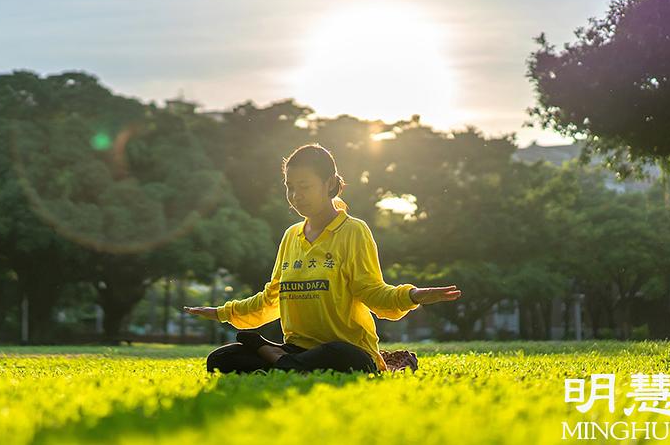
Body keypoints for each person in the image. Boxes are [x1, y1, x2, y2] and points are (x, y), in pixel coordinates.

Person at [185, 143, 462, 374]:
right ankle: (285, 362)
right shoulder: (291, 236)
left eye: (304, 186)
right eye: (290, 187)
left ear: (329, 184)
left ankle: (278, 361)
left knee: (340, 355)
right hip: (298, 349)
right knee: (222, 359)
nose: (295, 196)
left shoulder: (353, 231)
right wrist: (222, 312)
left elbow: (372, 292)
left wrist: (413, 295)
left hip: (345, 349)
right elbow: (272, 298)